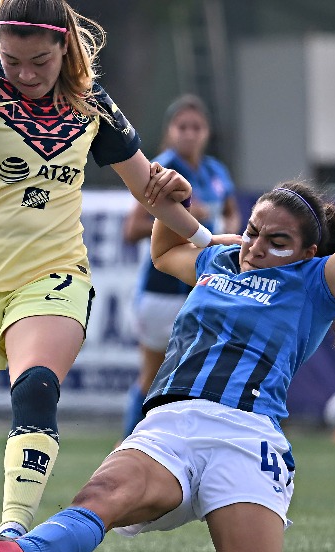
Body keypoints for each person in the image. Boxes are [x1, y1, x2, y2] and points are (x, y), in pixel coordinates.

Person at [0, 82, 335, 552]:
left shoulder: (315, 283)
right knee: (101, 494)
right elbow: (164, 254)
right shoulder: (221, 260)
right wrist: (171, 203)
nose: (255, 247)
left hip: (245, 437)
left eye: (277, 241)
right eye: (252, 231)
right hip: (170, 424)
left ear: (308, 253)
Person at [0, 0, 218, 540]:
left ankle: (16, 539)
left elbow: (148, 188)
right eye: (13, 60)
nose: (25, 74)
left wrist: (208, 243)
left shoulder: (93, 104)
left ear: (64, 45)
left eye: (39, 60)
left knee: (36, 387)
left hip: (54, 275)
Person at [121, 94, 240, 439]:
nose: (189, 134)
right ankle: (128, 444)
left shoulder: (216, 170)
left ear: (207, 132)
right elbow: (132, 229)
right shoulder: (161, 168)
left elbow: (231, 208)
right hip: (163, 289)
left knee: (195, 376)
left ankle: (179, 445)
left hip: (202, 287)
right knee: (153, 377)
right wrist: (185, 221)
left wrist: (224, 225)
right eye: (182, 127)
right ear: (170, 131)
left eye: (197, 127)